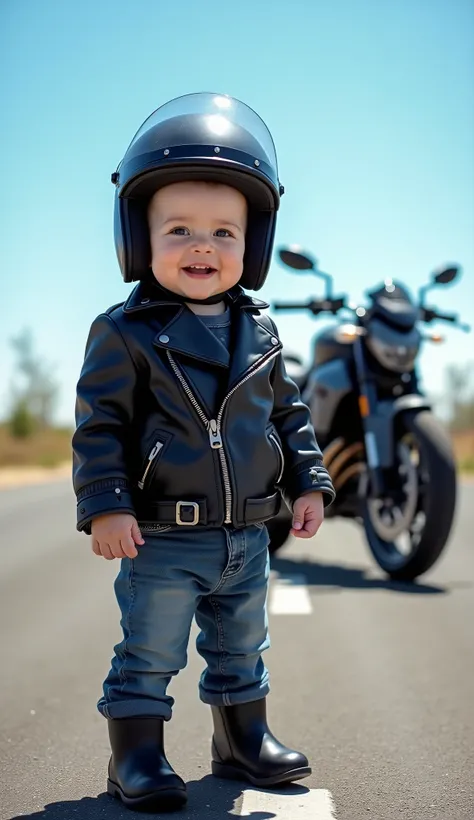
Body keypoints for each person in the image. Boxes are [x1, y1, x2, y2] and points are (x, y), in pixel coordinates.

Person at [73, 92, 335, 813]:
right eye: (179, 229)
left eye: (224, 232)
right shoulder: (124, 332)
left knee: (242, 646)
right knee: (151, 651)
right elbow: (99, 428)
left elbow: (290, 416)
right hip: (161, 534)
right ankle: (137, 757)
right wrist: (106, 505)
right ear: (139, 239)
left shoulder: (263, 331)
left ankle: (241, 742)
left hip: (247, 535)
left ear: (252, 245)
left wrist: (310, 484)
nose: (203, 246)